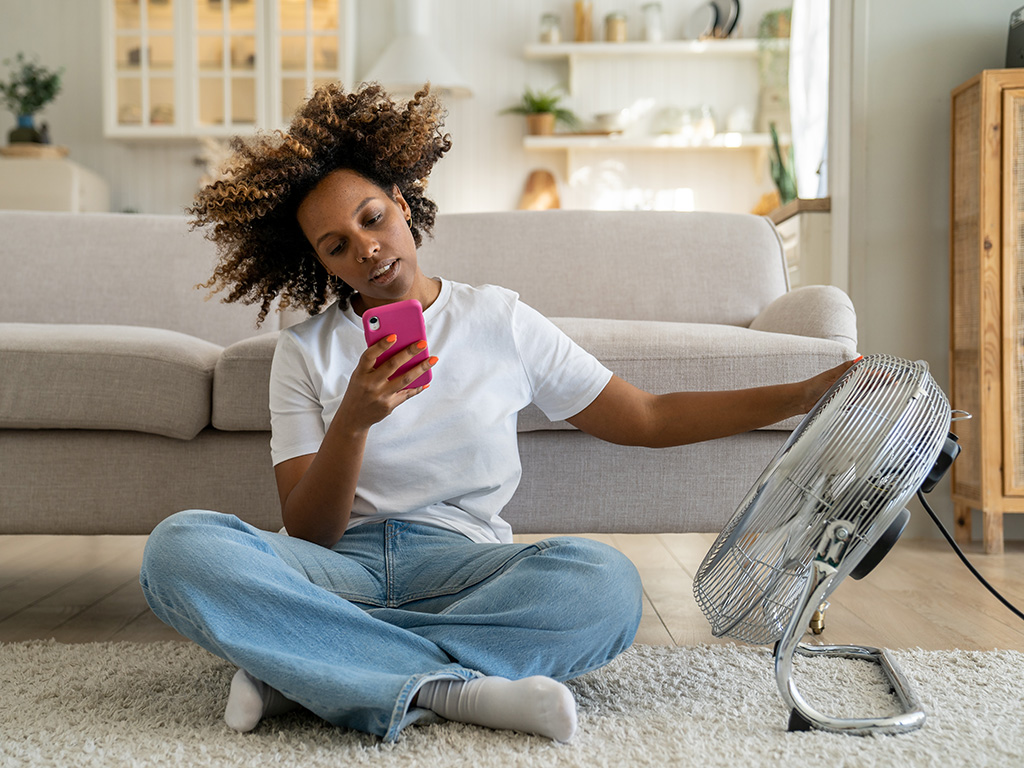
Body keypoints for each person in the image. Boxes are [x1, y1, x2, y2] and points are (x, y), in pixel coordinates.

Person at [139, 82, 855, 744]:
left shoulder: (498, 319)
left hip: (466, 567)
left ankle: (303, 666)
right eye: (338, 246)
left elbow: (646, 416)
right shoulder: (305, 352)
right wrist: (353, 420)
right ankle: (455, 689)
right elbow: (309, 530)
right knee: (179, 548)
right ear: (323, 264)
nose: (368, 249)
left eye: (372, 218)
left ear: (400, 198)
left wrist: (798, 397)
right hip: (340, 570)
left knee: (604, 585)